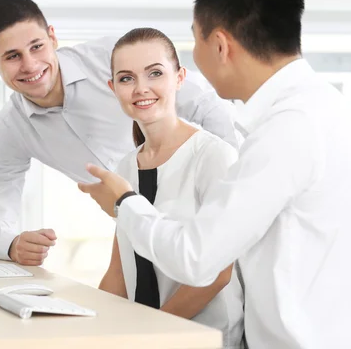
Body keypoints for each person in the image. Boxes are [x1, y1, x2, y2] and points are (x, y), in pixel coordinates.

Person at [78, 0, 351, 349]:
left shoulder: (288, 129)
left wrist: (124, 202)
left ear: (219, 45)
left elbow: (198, 258)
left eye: (194, 39)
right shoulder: (326, 110)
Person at [0, 0, 240, 266]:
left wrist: (237, 191)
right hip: (134, 237)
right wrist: (11, 245)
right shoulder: (12, 127)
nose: (30, 65)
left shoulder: (116, 59)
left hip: (202, 223)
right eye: (12, 56)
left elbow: (208, 107)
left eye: (37, 46)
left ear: (52, 37)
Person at [99, 27, 243, 348]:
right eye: (126, 79)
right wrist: (95, 328)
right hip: (144, 335)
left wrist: (153, 331)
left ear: (179, 78)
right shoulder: (125, 168)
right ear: (113, 88)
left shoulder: (214, 156)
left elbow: (219, 273)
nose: (141, 88)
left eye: (155, 73)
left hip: (199, 337)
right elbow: (119, 272)